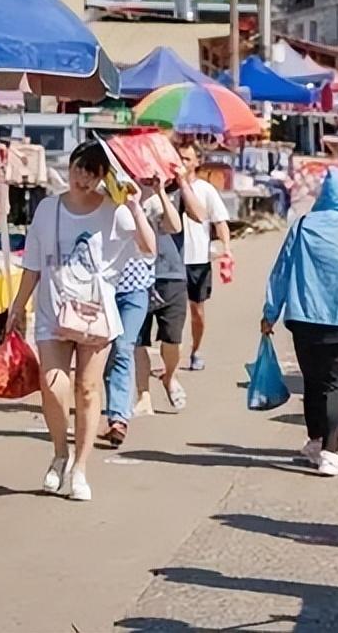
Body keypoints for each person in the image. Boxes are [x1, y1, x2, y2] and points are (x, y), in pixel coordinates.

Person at [5, 141, 153, 501]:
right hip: (52, 310)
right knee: (53, 384)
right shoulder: (48, 208)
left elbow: (149, 248)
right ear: (69, 168)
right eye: (78, 171)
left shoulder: (115, 212)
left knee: (87, 389)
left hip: (96, 313)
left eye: (92, 173)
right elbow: (34, 261)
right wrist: (17, 306)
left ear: (104, 177)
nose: (83, 180)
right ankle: (60, 452)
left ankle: (81, 469)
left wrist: (134, 206)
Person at [262, 168, 338, 477]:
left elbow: (281, 271)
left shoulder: (302, 226)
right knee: (334, 385)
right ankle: (330, 453)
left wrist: (270, 312)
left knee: (313, 383)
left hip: (302, 319)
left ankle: (316, 441)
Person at [99, 173, 184, 448]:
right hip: (104, 288)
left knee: (125, 346)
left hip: (137, 288)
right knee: (108, 351)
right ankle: (121, 404)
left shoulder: (145, 199)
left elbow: (171, 228)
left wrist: (152, 196)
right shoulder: (101, 197)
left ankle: (118, 418)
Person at [135, 167, 205, 416]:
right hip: (136, 274)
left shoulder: (176, 190)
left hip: (172, 273)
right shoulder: (127, 188)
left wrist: (165, 189)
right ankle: (142, 395)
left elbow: (184, 222)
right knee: (138, 340)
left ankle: (169, 376)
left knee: (172, 339)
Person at [177, 143, 231, 372]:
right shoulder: (169, 189)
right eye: (180, 158)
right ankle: (173, 358)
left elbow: (220, 221)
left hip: (198, 258)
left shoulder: (206, 190)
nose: (183, 163)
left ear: (197, 162)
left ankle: (196, 350)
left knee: (197, 311)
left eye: (188, 159)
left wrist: (226, 248)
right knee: (174, 312)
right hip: (173, 260)